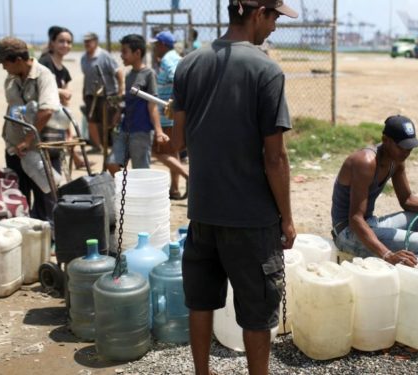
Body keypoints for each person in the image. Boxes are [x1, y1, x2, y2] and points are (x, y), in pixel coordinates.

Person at [171, 1, 298, 374]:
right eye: (274, 16)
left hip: (203, 214)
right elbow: (274, 158)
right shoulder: (266, 70)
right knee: (257, 314)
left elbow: (177, 141)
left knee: (201, 302)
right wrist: (287, 219)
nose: (275, 26)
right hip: (251, 218)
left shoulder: (188, 64)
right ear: (257, 12)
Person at [331, 115, 418, 264]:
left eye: (410, 147)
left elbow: (407, 200)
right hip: (348, 234)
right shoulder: (365, 162)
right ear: (385, 140)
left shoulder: (396, 160)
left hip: (370, 224)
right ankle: (415, 283)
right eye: (402, 147)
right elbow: (355, 219)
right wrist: (387, 255)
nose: (406, 152)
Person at [0, 37, 62, 225]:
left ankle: (49, 241)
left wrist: (28, 140)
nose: (3, 68)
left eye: (4, 63)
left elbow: (47, 110)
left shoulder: (44, 76)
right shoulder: (11, 78)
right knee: (19, 197)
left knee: (45, 199)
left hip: (40, 149)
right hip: (16, 148)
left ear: (18, 60)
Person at [105, 34, 167, 175]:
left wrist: (158, 131)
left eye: (124, 52)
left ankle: (139, 195)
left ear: (137, 53)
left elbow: (152, 105)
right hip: (125, 129)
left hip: (142, 131)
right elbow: (126, 102)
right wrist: (117, 113)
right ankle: (124, 192)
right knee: (112, 163)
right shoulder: (129, 75)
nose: (121, 56)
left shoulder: (148, 74)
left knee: (141, 171)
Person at [38, 26, 91, 169]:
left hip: (58, 118)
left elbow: (65, 99)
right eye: (61, 41)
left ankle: (77, 161)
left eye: (69, 42)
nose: (65, 45)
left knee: (57, 158)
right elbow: (38, 87)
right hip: (44, 118)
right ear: (52, 43)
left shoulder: (65, 70)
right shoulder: (44, 63)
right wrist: (61, 92)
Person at [151, 31, 189, 199]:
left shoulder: (167, 59)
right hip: (173, 112)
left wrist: (173, 101)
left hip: (167, 114)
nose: (154, 48)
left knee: (156, 151)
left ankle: (189, 177)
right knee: (173, 152)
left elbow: (177, 78)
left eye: (156, 44)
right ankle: (174, 189)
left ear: (162, 45)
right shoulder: (176, 56)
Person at [80, 32, 122, 153]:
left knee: (110, 121)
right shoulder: (84, 58)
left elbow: (118, 73)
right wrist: (84, 91)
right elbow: (86, 76)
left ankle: (114, 146)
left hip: (107, 94)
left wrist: (120, 91)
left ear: (95, 42)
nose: (87, 44)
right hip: (91, 95)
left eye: (89, 41)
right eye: (85, 41)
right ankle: (97, 146)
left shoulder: (105, 56)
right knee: (91, 121)